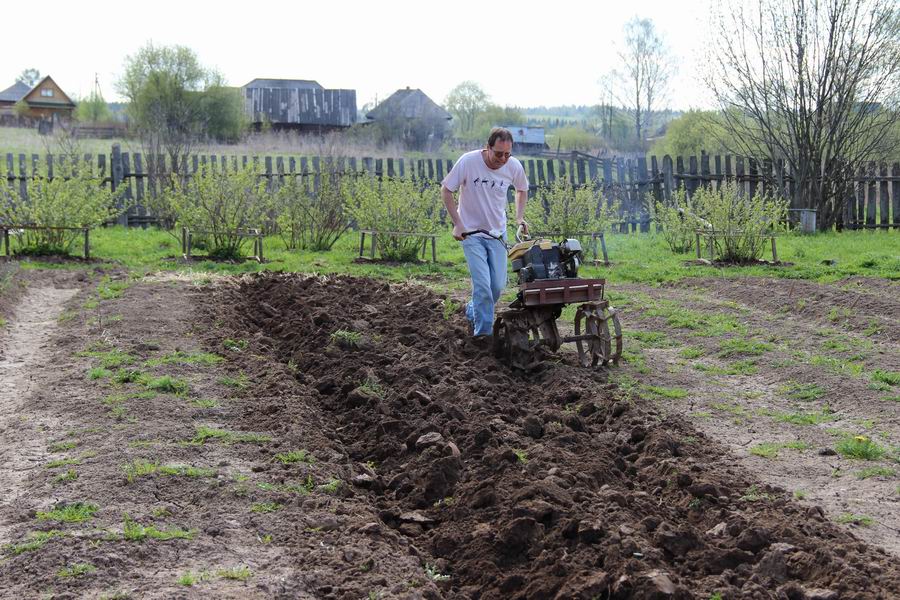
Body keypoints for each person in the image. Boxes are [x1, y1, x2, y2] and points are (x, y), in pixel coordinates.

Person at [441, 127, 529, 339]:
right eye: (498, 153)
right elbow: (446, 189)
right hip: (471, 234)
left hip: (497, 235)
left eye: (507, 154)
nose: (503, 159)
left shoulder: (513, 166)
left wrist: (518, 217)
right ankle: (483, 335)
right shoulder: (468, 162)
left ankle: (472, 310)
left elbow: (522, 189)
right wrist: (458, 223)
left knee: (497, 286)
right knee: (482, 286)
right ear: (487, 147)